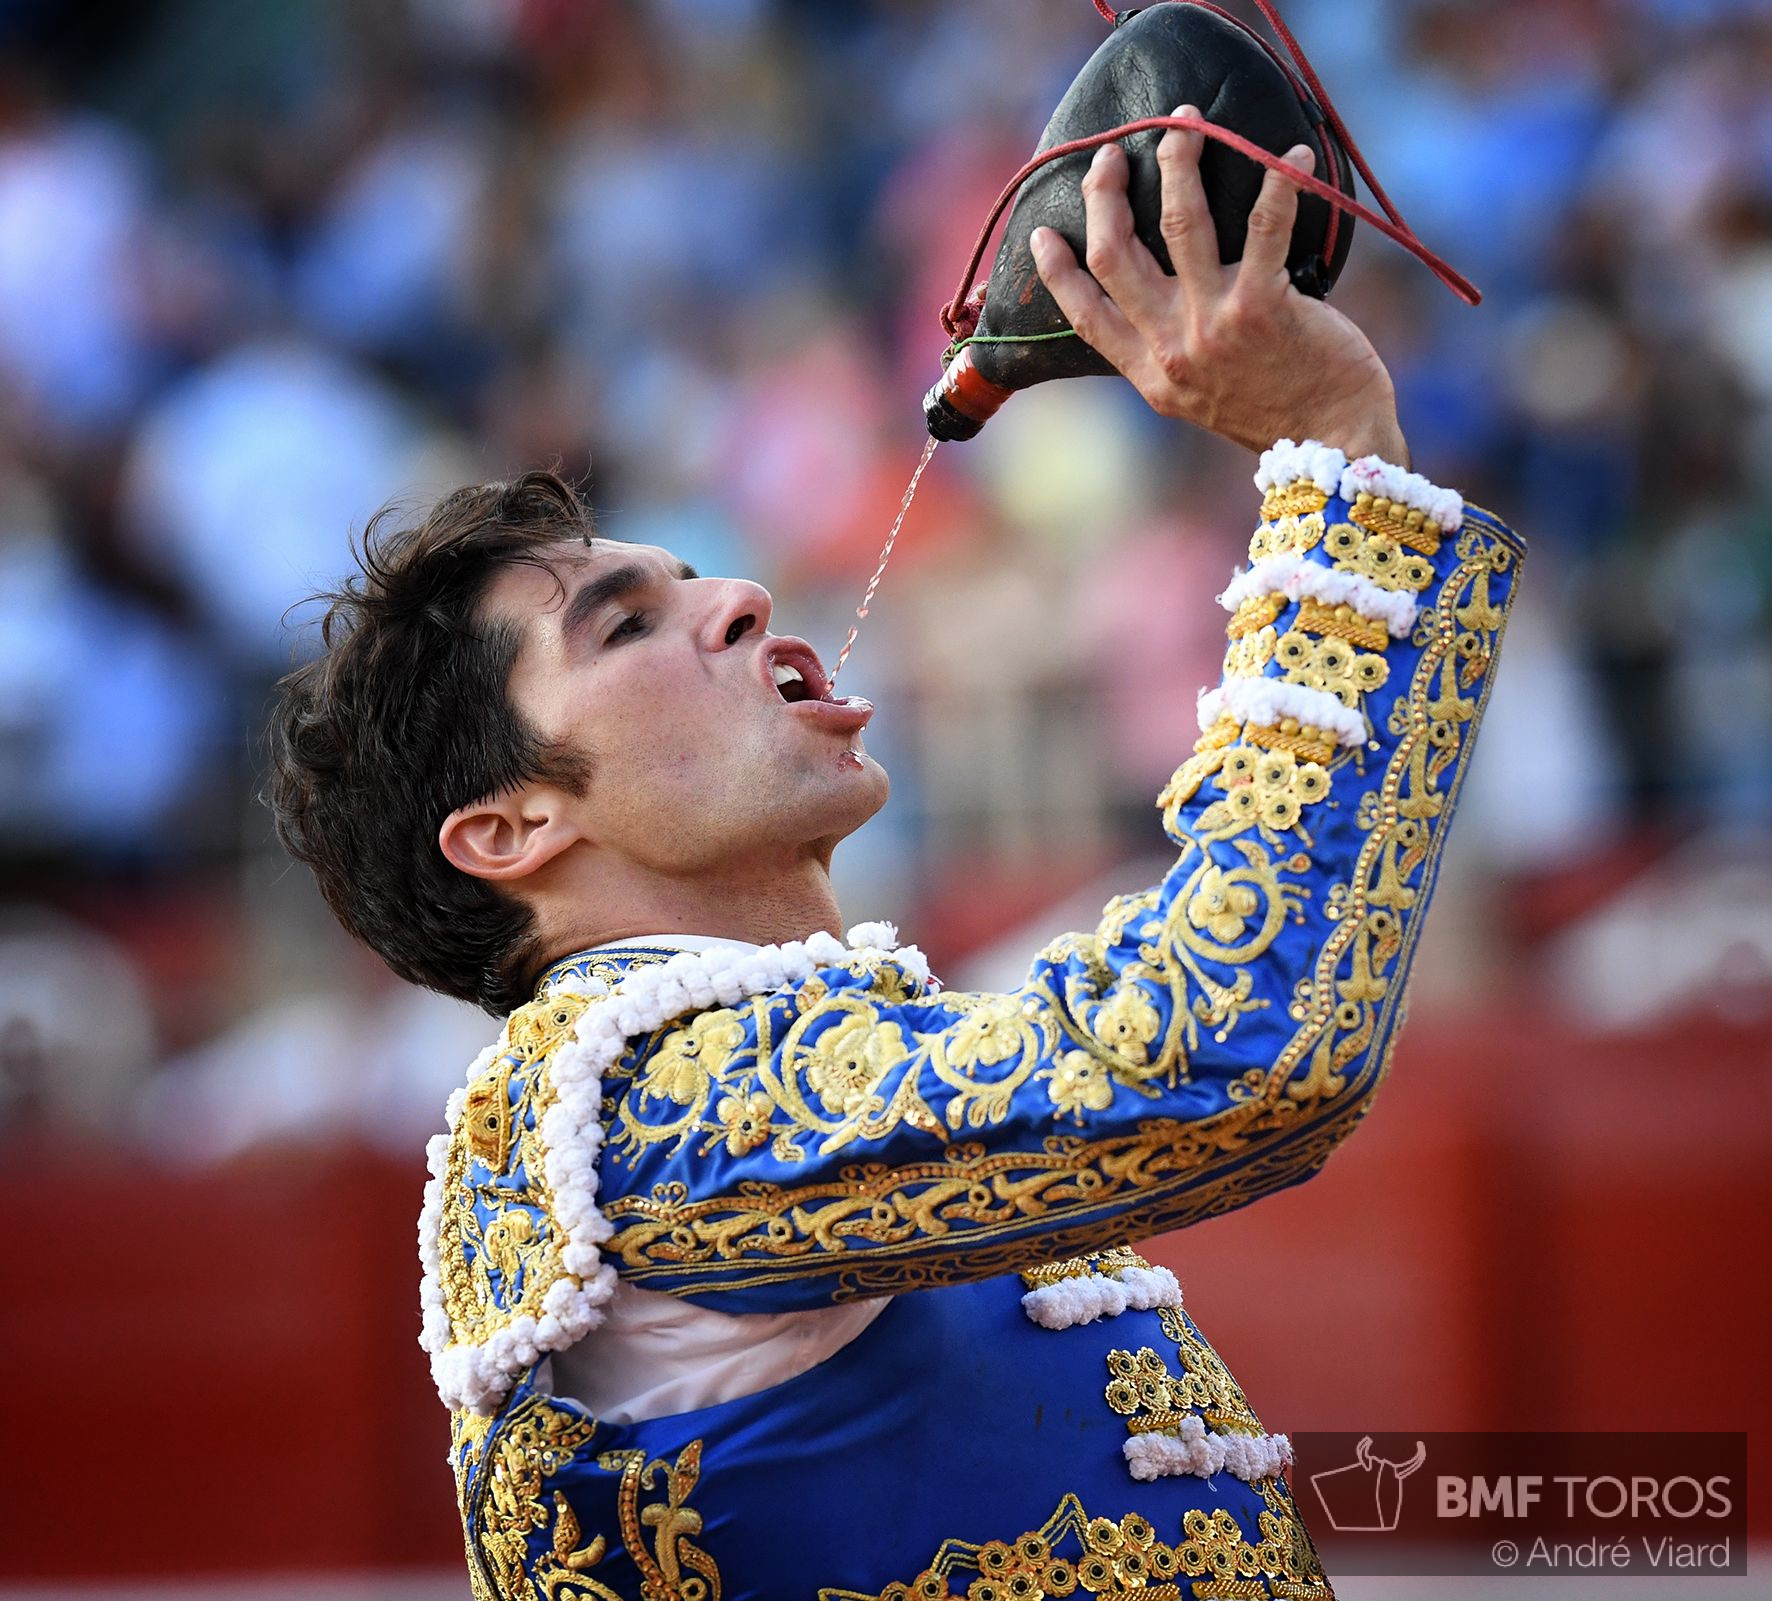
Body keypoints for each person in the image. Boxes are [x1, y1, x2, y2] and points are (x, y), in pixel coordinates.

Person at [269, 126, 1522, 1600]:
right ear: (511, 828)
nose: (740, 593)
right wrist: (1341, 459)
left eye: (696, 576)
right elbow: (1214, 1043)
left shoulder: (760, 1073)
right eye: (622, 625)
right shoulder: (626, 1111)